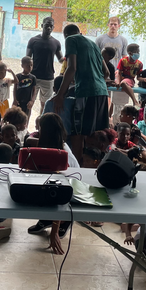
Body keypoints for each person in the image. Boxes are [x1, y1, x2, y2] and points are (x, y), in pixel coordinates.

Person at [53, 24, 110, 164]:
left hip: (86, 92)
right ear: (80, 32)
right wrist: (96, 81)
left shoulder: (71, 39)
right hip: (102, 92)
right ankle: (98, 165)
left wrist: (60, 95)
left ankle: (77, 166)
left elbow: (71, 68)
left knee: (78, 133)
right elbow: (106, 72)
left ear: (66, 35)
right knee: (97, 134)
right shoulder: (93, 44)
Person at [26, 112, 80, 255]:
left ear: (45, 132)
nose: (38, 131)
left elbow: (61, 195)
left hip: (70, 194)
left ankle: (63, 221)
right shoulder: (52, 146)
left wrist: (54, 232)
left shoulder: (62, 156)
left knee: (47, 191)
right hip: (59, 189)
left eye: (40, 128)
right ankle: (46, 218)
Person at [27, 16, 63, 113]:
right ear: (42, 25)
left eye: (51, 26)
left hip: (48, 78)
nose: (49, 28)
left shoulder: (56, 43)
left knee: (45, 104)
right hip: (33, 76)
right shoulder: (33, 40)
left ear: (53, 27)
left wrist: (68, 57)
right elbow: (27, 58)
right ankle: (25, 122)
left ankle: (42, 122)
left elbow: (61, 59)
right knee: (29, 103)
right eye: (47, 25)